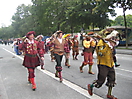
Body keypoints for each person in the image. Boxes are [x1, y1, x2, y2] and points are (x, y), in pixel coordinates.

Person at [87, 29, 119, 99]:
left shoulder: (111, 44)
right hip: (103, 64)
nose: (114, 39)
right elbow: (100, 53)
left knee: (112, 79)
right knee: (101, 80)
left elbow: (112, 54)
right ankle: (91, 86)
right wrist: (107, 45)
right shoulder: (101, 42)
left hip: (110, 64)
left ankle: (109, 94)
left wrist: (112, 47)